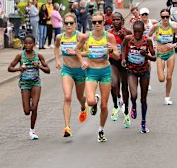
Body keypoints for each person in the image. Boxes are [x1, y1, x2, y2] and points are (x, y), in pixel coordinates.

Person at [75, 11, 117, 142]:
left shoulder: (109, 37)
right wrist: (82, 62)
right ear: (91, 23)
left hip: (105, 71)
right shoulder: (87, 37)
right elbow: (77, 49)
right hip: (91, 71)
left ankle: (101, 130)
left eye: (100, 21)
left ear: (104, 22)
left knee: (104, 106)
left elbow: (117, 55)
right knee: (91, 101)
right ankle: (94, 102)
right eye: (94, 22)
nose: (97, 24)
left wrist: (111, 50)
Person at [8, 35, 50, 140]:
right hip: (25, 84)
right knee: (27, 111)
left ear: (34, 44)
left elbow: (48, 70)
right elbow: (10, 68)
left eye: (30, 43)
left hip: (36, 83)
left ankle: (32, 130)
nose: (27, 45)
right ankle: (29, 106)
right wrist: (19, 69)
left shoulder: (38, 55)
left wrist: (39, 66)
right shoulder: (20, 55)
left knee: (34, 107)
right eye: (26, 43)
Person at [53, 13, 88, 137]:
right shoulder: (59, 37)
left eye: (71, 23)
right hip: (67, 70)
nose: (68, 25)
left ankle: (84, 106)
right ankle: (67, 127)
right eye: (66, 23)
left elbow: (88, 51)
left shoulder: (80, 36)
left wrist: (79, 55)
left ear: (75, 24)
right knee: (67, 97)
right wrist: (57, 60)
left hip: (79, 70)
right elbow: (56, 47)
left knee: (80, 98)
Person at [122, 21, 156, 133]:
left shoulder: (147, 41)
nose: (137, 34)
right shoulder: (128, 39)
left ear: (143, 31)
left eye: (139, 32)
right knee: (134, 94)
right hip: (131, 70)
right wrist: (123, 59)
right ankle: (134, 105)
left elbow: (154, 57)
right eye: (135, 31)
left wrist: (145, 55)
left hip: (144, 71)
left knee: (143, 98)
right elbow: (123, 46)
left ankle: (143, 122)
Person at [148, 9, 177, 106]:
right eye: (163, 17)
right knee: (161, 79)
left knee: (169, 77)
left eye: (167, 16)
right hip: (160, 54)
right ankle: (162, 70)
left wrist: (175, 45)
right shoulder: (156, 26)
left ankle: (167, 97)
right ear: (161, 18)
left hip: (170, 53)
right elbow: (148, 36)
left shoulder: (173, 27)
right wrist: (153, 43)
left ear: (169, 17)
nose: (165, 19)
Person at [109, 12, 132, 127]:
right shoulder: (109, 34)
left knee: (124, 86)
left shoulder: (127, 32)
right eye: (113, 19)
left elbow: (133, 44)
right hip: (113, 61)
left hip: (125, 61)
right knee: (113, 84)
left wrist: (124, 38)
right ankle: (115, 106)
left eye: (118, 19)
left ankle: (127, 112)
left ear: (122, 21)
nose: (115, 21)